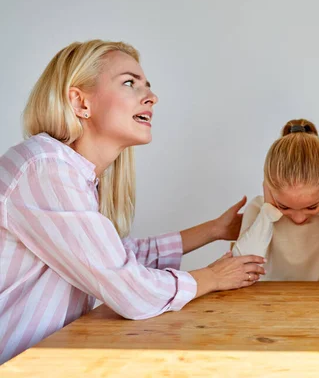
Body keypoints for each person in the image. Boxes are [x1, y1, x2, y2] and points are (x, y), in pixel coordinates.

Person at [0, 40, 265, 364]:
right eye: (129, 83)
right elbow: (127, 288)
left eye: (147, 86)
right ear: (80, 102)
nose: (151, 96)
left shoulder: (65, 172)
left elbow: (115, 255)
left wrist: (213, 230)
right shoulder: (44, 169)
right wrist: (212, 277)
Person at [232, 119, 319, 284]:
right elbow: (239, 272)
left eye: (311, 207)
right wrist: (268, 212)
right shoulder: (259, 209)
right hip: (268, 307)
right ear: (268, 186)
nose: (298, 218)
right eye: (284, 207)